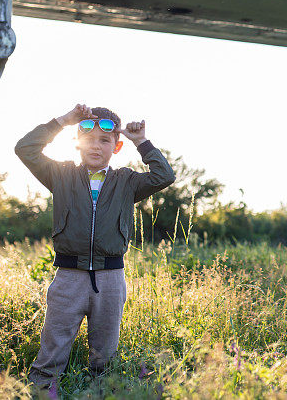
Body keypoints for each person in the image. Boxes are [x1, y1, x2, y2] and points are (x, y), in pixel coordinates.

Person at [15, 104, 175, 389]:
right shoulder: (60, 175)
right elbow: (25, 148)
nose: (95, 146)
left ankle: (98, 393)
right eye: (88, 139)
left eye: (104, 140)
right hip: (68, 278)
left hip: (110, 280)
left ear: (116, 146)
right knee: (52, 351)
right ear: (77, 142)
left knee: (104, 356)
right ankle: (41, 392)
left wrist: (142, 142)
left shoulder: (126, 181)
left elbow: (164, 176)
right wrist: (64, 120)